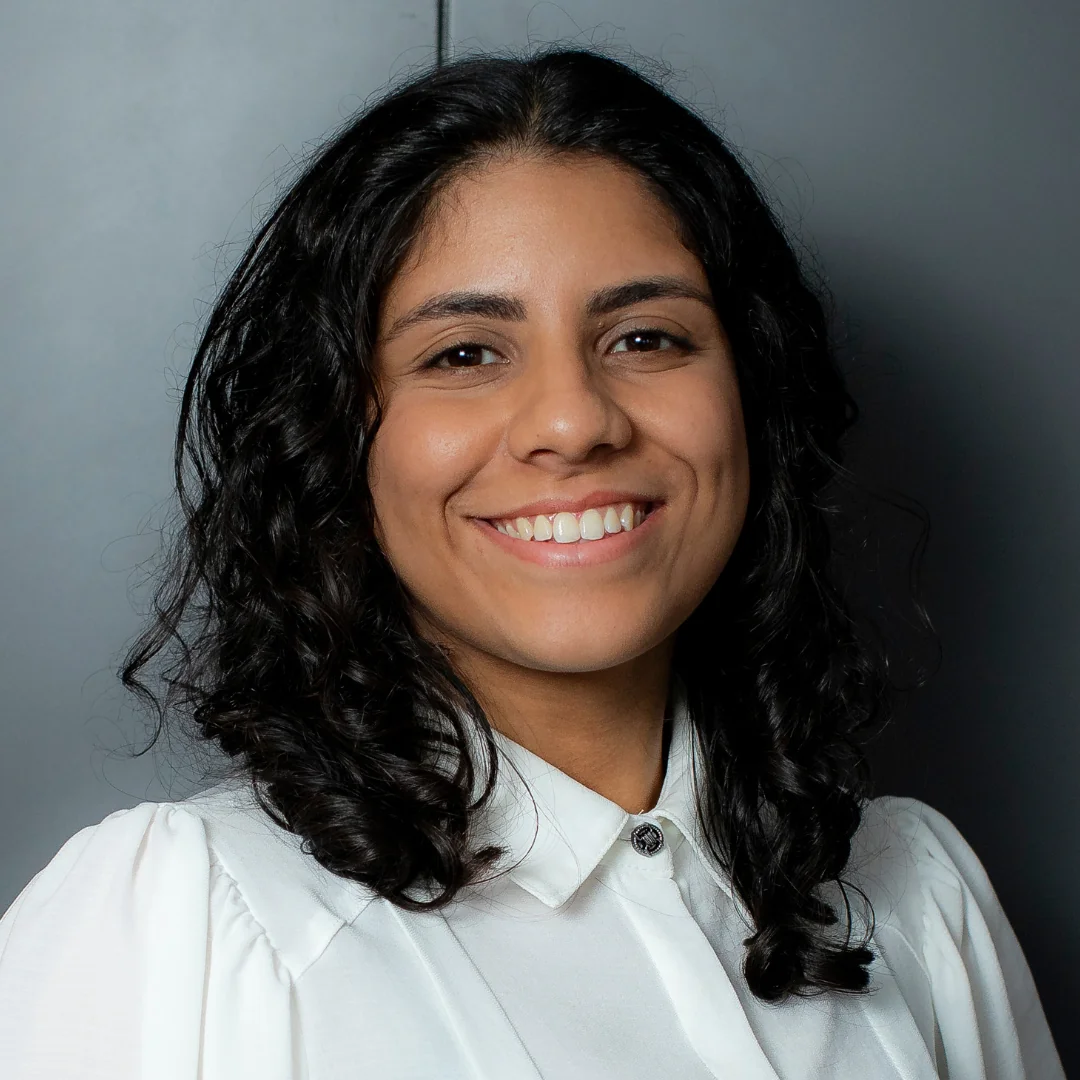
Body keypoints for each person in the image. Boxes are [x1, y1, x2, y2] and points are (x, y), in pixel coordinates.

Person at [0, 46, 1064, 1079]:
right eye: (463, 353)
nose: (573, 420)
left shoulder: (918, 896)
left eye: (645, 338)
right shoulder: (193, 922)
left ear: (754, 395)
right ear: (330, 439)